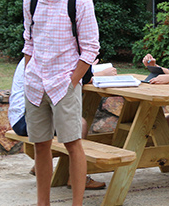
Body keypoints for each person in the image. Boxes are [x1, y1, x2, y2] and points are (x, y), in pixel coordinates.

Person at [9, 0, 99, 206]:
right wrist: (29, 73)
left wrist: (72, 81)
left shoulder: (80, 0)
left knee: (73, 144)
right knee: (41, 145)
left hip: (64, 84)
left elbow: (90, 49)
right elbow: (29, 42)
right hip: (35, 84)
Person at [7, 58, 106, 190]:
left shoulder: (39, 50)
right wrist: (96, 74)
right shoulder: (59, 53)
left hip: (18, 116)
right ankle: (76, 178)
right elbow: (66, 82)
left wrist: (88, 71)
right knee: (79, 124)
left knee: (70, 121)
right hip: (24, 118)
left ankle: (40, 166)